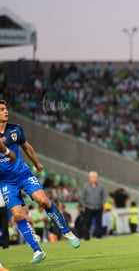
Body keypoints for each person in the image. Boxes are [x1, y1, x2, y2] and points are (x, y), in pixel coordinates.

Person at [0, 99, 80, 263]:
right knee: (17, 215)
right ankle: (38, 251)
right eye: (1, 109)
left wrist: (36, 162)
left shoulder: (15, 130)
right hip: (6, 181)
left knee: (42, 200)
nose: (6, 111)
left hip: (23, 174)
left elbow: (27, 147)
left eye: (5, 108)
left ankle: (66, 231)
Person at [81, 171, 106, 240]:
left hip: (99, 207)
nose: (93, 178)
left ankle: (99, 236)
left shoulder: (101, 186)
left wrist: (103, 203)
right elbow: (82, 197)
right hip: (89, 207)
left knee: (99, 222)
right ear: (89, 178)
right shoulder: (86, 187)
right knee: (87, 223)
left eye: (95, 177)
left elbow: (104, 196)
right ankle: (86, 236)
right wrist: (84, 205)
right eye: (92, 177)